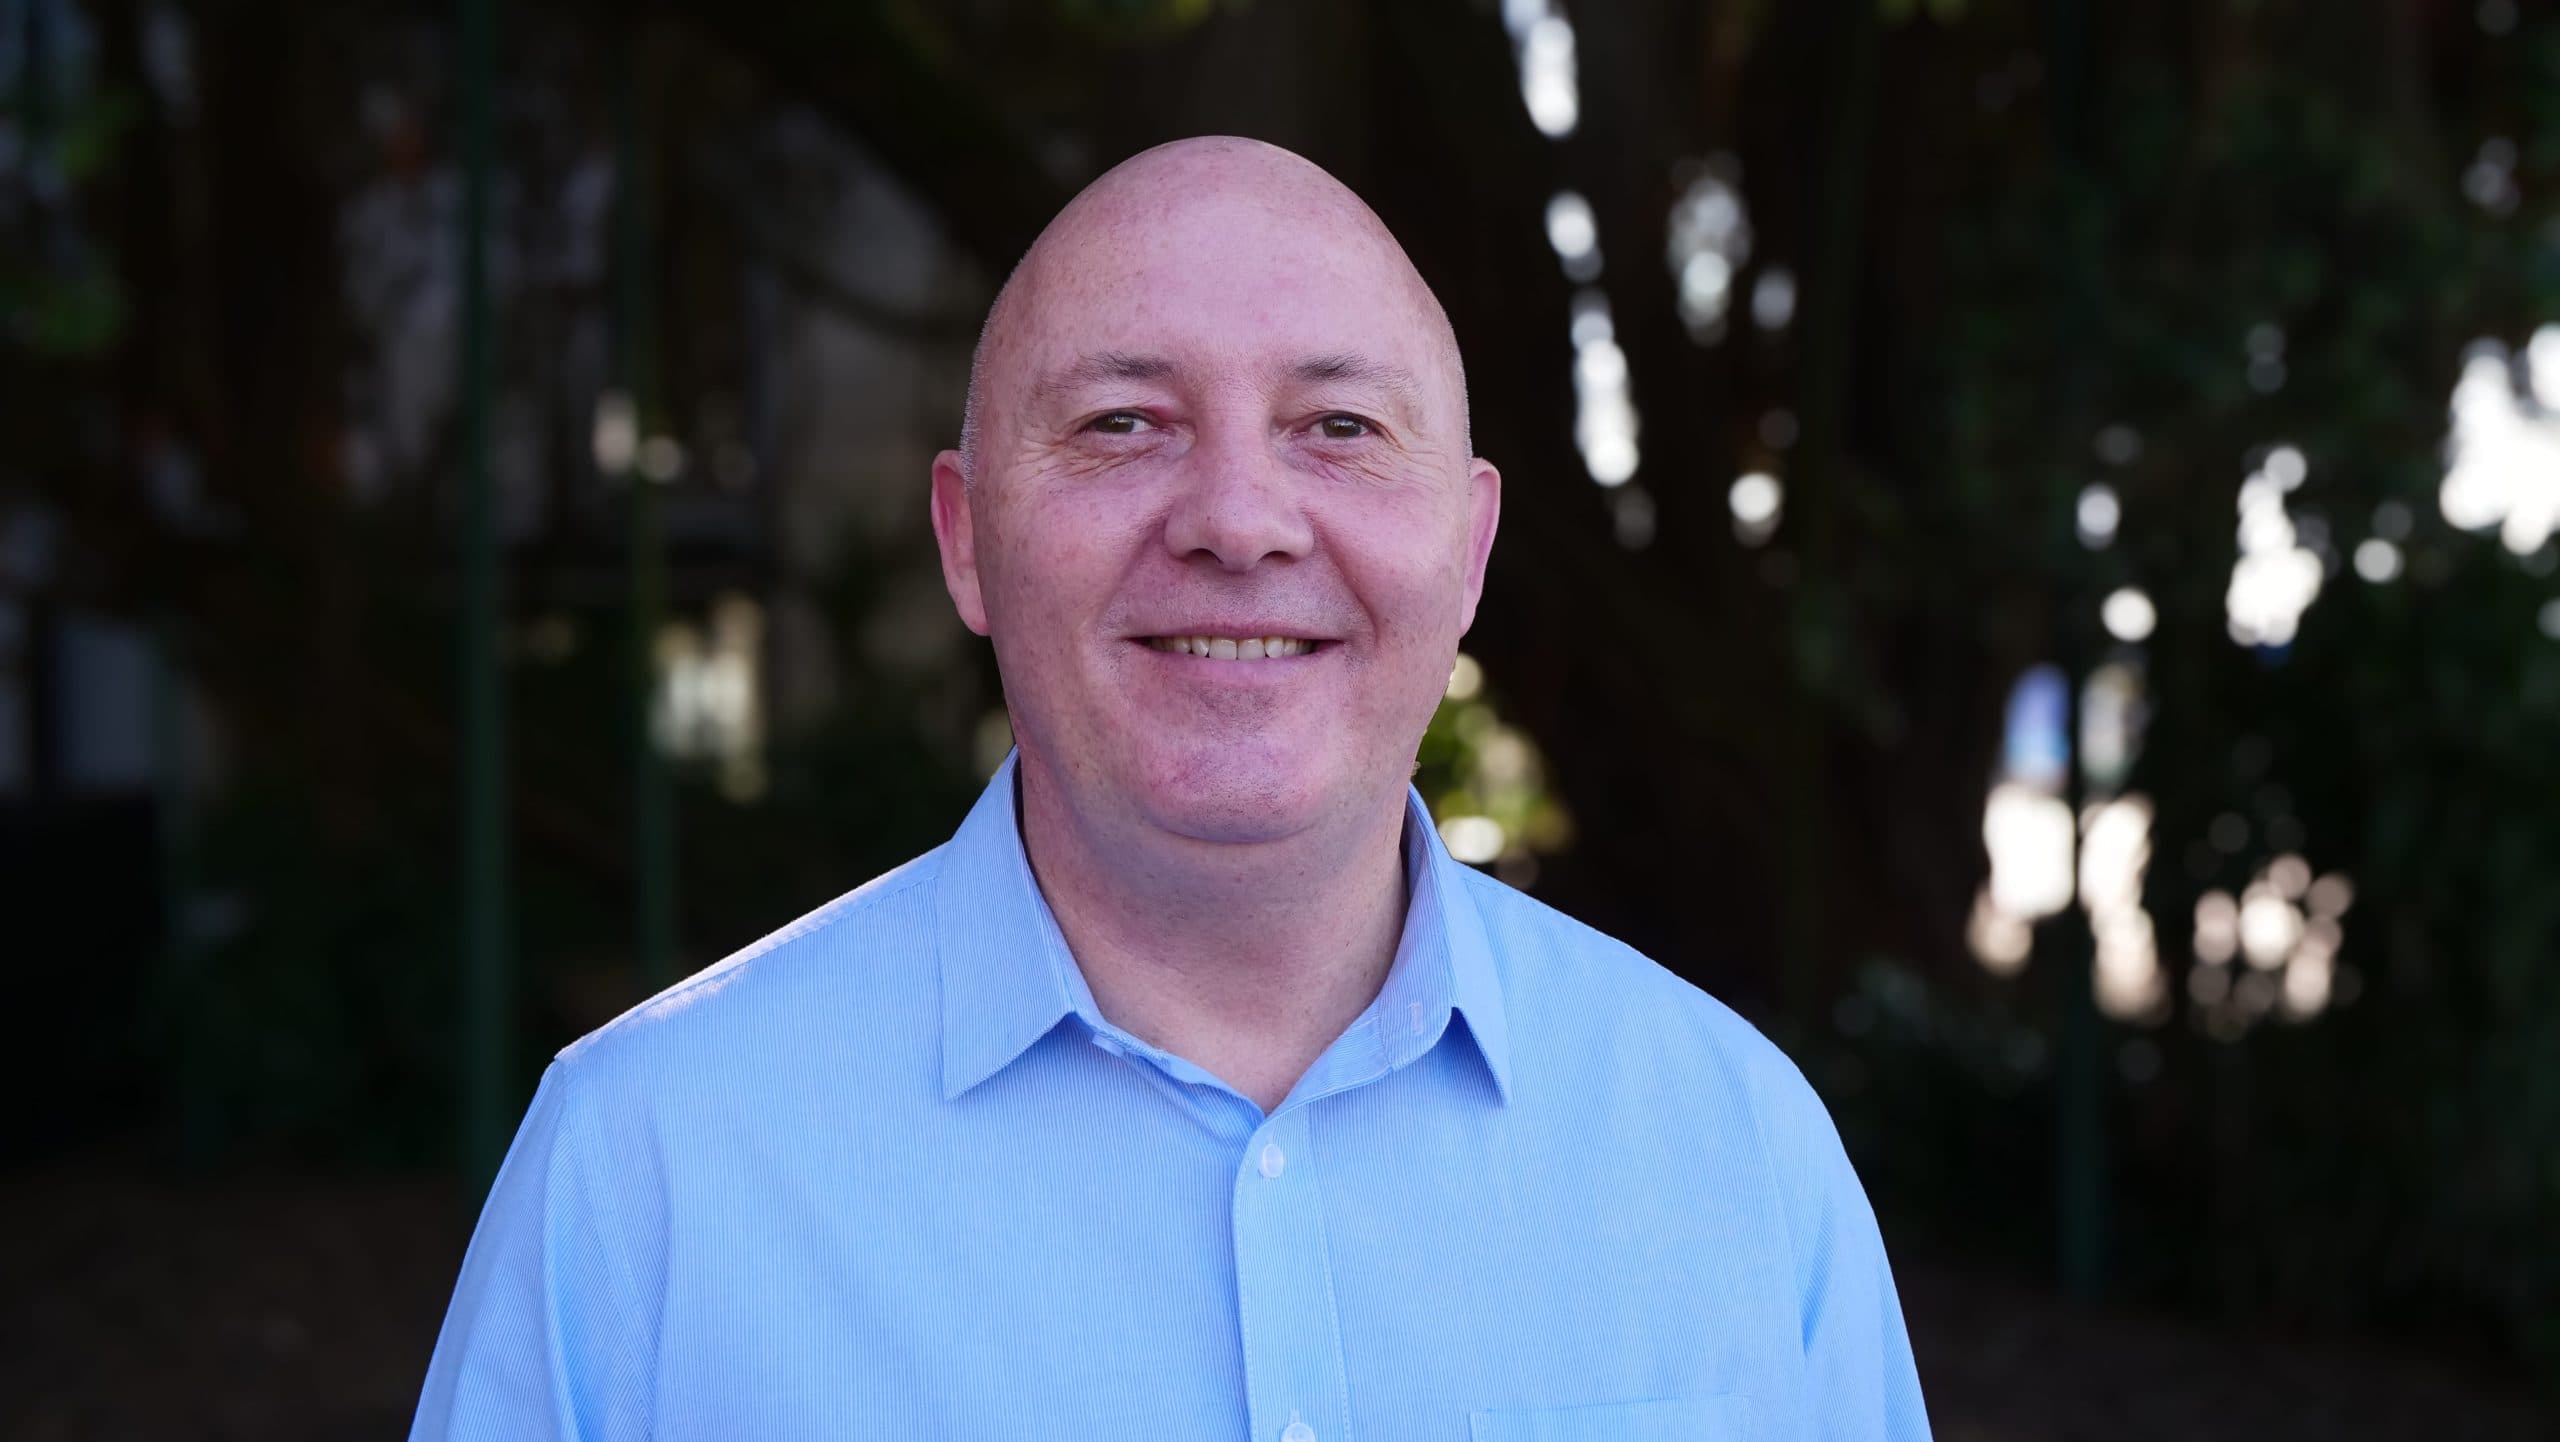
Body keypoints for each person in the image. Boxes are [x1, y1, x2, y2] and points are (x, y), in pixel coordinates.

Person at [409, 135, 1931, 1441]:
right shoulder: (642, 1169)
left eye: (1338, 426)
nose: (1239, 520)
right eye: (1122, 422)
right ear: (965, 539)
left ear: (1467, 553)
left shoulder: (1737, 1150)